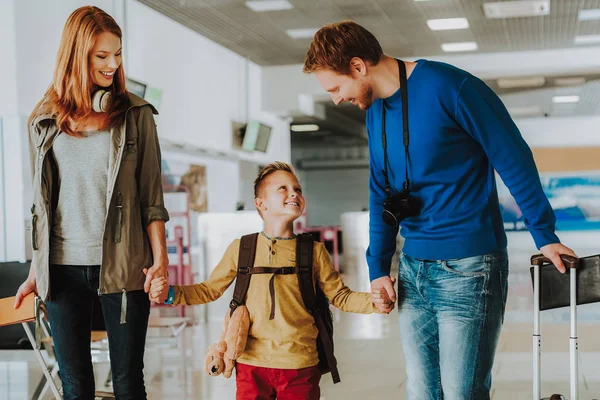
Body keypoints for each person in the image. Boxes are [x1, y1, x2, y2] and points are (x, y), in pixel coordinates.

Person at [302, 20, 576, 399]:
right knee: (421, 391)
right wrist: (379, 267)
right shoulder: (374, 111)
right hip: (413, 270)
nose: (335, 99)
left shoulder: (452, 87)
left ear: (358, 66)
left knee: (461, 393)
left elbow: (513, 158)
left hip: (470, 266)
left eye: (336, 87)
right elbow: (381, 190)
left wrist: (544, 234)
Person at [13, 6, 169, 399]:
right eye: (102, 56)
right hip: (62, 270)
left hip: (124, 268)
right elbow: (41, 208)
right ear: (76, 55)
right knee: (75, 385)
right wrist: (37, 269)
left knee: (129, 383)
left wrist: (160, 261)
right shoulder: (44, 121)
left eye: (117, 54)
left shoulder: (136, 116)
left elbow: (152, 198)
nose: (112, 64)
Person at [149, 161, 387, 400]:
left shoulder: (313, 251)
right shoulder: (242, 248)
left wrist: (376, 302)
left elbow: (340, 296)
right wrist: (169, 294)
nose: (294, 193)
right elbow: (209, 290)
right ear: (260, 204)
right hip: (250, 363)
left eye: (297, 189)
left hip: (299, 364)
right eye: (282, 188)